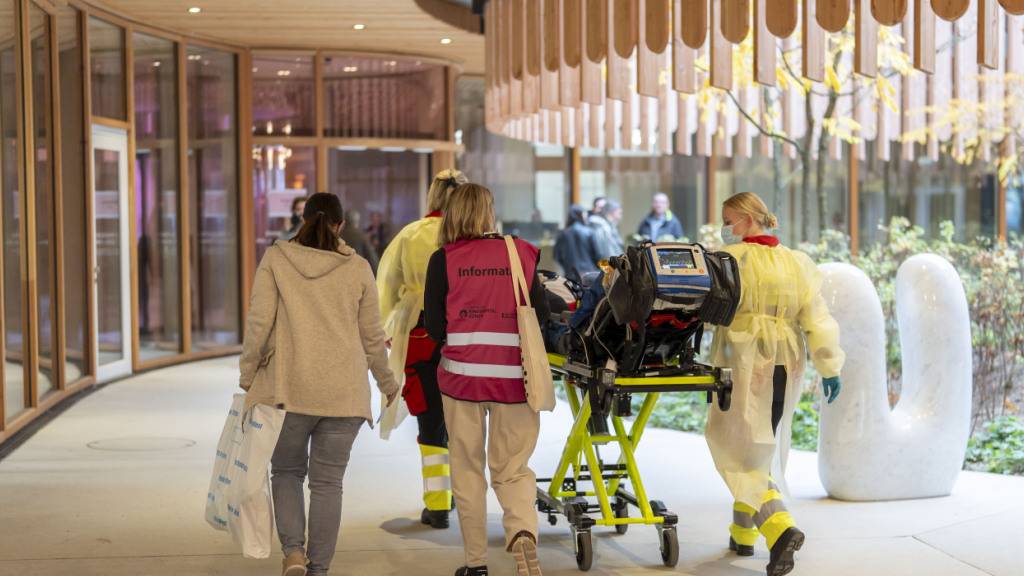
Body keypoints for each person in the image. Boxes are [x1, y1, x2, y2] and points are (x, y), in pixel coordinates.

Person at [239, 192, 399, 576]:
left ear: (303, 220)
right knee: (328, 485)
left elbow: (258, 322)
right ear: (341, 225)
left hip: (287, 391)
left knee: (287, 472)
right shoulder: (358, 267)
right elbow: (372, 336)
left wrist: (247, 374)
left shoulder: (277, 258)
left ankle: (293, 553)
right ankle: (318, 569)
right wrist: (386, 382)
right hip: (343, 395)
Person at [705, 192, 844, 576]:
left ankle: (779, 528)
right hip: (788, 361)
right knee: (761, 446)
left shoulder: (730, 261)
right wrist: (829, 365)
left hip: (744, 359)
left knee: (736, 446)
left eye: (730, 219)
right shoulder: (796, 262)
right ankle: (742, 534)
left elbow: (701, 308)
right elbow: (818, 317)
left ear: (749, 219)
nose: (726, 227)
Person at [424, 183, 548, 576]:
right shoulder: (520, 253)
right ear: (488, 211)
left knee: (466, 468)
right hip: (515, 380)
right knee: (513, 468)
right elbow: (540, 314)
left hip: (462, 381)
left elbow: (433, 325)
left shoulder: (443, 259)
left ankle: (475, 562)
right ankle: (523, 533)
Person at [377, 168, 468, 530]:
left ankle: (438, 504)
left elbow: (387, 283)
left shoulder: (410, 234)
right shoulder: (470, 237)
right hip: (465, 336)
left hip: (418, 336)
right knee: (467, 425)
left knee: (430, 424)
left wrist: (387, 330)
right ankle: (465, 496)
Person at [553, 204, 601, 282]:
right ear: (581, 214)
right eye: (585, 213)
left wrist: (567, 266)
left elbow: (557, 256)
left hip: (570, 275)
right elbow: (597, 255)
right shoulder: (589, 232)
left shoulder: (563, 234)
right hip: (589, 275)